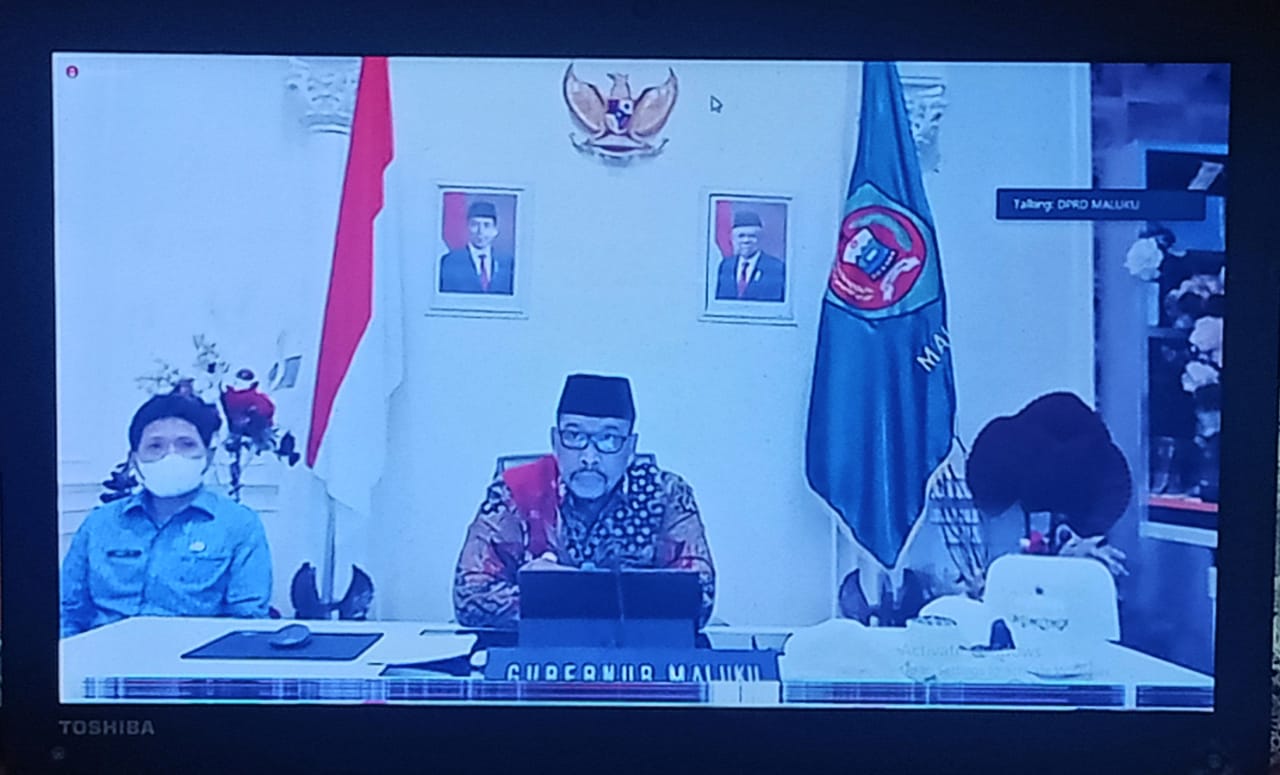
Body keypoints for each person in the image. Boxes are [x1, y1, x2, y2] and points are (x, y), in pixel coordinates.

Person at [453, 374, 715, 628]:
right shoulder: (517, 492)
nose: (589, 458)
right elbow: (470, 598)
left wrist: (558, 594)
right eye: (574, 436)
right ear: (555, 442)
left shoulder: (666, 494)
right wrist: (612, 599)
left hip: (637, 654)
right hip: (538, 652)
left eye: (609, 439)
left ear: (631, 448)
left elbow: (698, 598)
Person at [60, 392, 273, 637]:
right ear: (134, 459)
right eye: (155, 446)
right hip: (101, 656)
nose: (171, 456)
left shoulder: (238, 525)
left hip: (194, 658)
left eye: (186, 444)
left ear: (208, 457)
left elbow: (247, 623)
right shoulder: (100, 524)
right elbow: (67, 612)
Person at [439, 200, 515, 294]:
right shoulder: (450, 262)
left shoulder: (508, 262)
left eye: (486, 225)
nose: (480, 232)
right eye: (475, 225)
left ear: (495, 230)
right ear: (467, 228)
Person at [714, 210, 785, 301]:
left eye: (752, 236)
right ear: (733, 238)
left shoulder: (776, 268)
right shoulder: (726, 266)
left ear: (760, 238)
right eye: (741, 236)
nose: (746, 240)